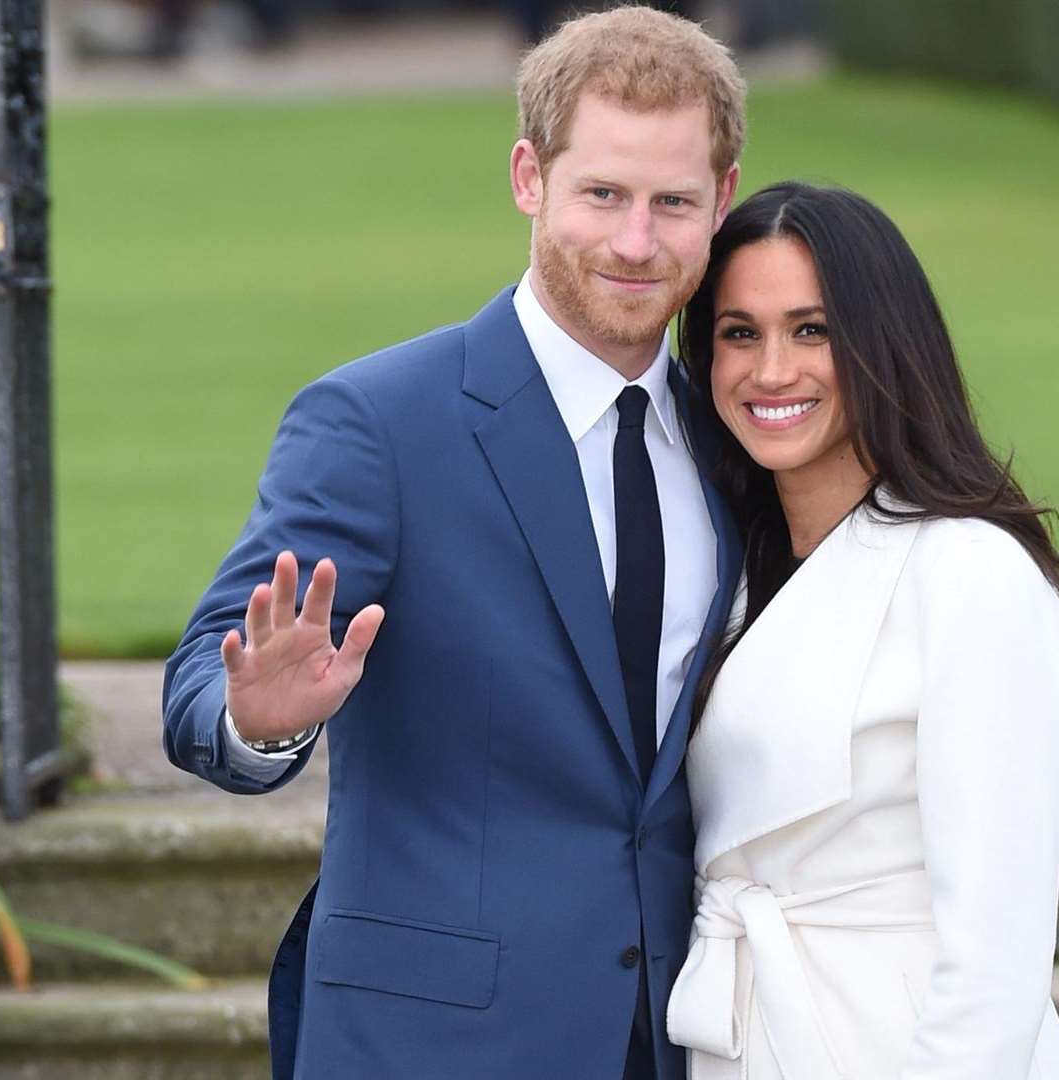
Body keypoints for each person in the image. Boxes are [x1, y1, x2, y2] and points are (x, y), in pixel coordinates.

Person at [160, 7, 743, 1079]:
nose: (634, 241)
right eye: (602, 194)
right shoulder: (376, 422)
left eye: (672, 202)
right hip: (430, 1042)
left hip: (674, 1037)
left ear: (723, 200)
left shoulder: (733, 440)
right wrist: (256, 719)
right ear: (530, 178)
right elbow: (202, 679)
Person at [664, 182, 1059, 1079]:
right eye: (738, 332)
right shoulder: (729, 572)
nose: (771, 371)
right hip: (747, 1036)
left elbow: (995, 958)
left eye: (812, 330)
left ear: (883, 346)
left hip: (901, 1043)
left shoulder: (969, 573)